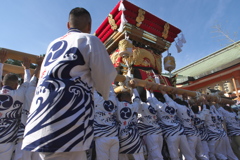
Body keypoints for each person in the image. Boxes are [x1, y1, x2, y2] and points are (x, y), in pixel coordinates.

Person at [22, 7, 117, 160]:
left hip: (40, 119)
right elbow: (105, 76)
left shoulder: (52, 44)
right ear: (89, 26)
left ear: (67, 25)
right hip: (68, 121)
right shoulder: (89, 39)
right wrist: (106, 93)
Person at [0, 49, 35, 160]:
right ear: (16, 85)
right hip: (7, 139)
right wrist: (27, 69)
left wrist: (1, 62)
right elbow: (28, 83)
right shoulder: (19, 94)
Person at [117, 80, 144, 160]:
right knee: (138, 157)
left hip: (121, 138)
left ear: (121, 98)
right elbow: (137, 98)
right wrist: (134, 88)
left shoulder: (117, 104)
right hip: (134, 137)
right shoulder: (134, 105)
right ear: (130, 98)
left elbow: (111, 96)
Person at [93, 87, 119, 160]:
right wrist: (109, 80)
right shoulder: (113, 101)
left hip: (102, 137)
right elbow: (112, 92)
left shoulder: (97, 100)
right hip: (114, 137)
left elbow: (92, 89)